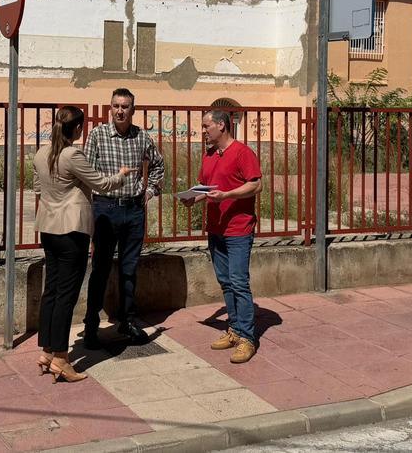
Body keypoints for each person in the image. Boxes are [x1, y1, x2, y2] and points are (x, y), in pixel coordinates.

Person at [33, 106, 131, 382]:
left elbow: (38, 188)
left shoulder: (41, 153)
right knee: (66, 294)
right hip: (71, 230)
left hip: (49, 228)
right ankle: (63, 359)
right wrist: (121, 174)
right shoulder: (72, 154)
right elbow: (101, 183)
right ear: (77, 129)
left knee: (51, 290)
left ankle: (48, 350)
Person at [83, 87, 165, 348]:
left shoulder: (142, 137)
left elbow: (159, 165)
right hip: (105, 210)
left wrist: (150, 190)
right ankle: (91, 326)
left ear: (133, 110)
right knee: (100, 269)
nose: (120, 111)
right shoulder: (97, 136)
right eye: (116, 106)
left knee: (130, 269)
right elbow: (86, 171)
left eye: (125, 106)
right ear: (110, 108)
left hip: (133, 210)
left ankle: (127, 322)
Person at [181, 109, 262, 363]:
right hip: (216, 228)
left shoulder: (242, 152)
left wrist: (227, 195)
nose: (203, 130)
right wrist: (193, 197)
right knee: (226, 281)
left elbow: (256, 184)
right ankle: (235, 330)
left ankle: (247, 338)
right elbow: (206, 186)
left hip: (238, 229)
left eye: (206, 126)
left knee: (239, 282)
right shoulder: (209, 155)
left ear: (221, 126)